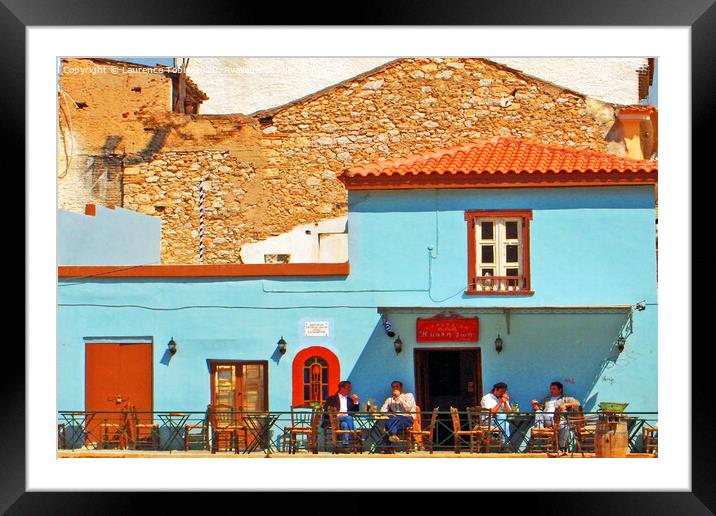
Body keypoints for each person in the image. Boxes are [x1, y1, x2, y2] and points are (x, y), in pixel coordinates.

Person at [531, 381, 581, 451]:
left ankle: (561, 448)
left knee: (566, 427)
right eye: (551, 389)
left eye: (553, 389)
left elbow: (577, 404)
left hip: (559, 420)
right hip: (547, 420)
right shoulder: (546, 399)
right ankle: (540, 435)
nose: (551, 390)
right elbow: (540, 409)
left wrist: (566, 405)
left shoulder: (565, 398)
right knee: (538, 412)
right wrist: (535, 406)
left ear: (560, 390)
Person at [379, 381, 417, 449]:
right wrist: (389, 413)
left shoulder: (408, 395)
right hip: (395, 420)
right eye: (393, 387)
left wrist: (399, 398)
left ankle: (390, 447)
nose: (395, 388)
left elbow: (408, 408)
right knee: (390, 419)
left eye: (397, 386)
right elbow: (382, 411)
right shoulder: (390, 399)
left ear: (401, 388)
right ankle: (393, 437)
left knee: (390, 423)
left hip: (407, 419)